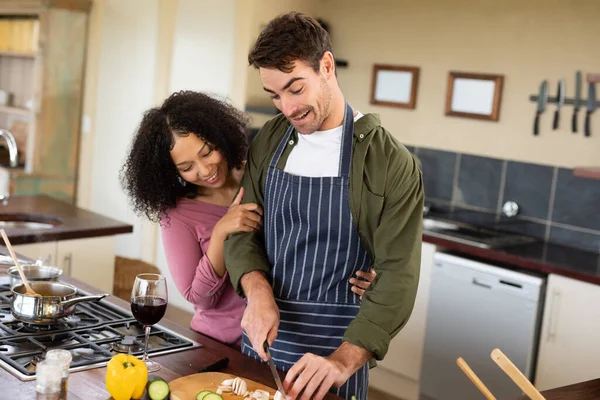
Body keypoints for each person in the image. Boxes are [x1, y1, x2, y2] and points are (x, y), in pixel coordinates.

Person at [223, 12, 424, 400]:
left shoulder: (390, 163)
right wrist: (257, 288)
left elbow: (398, 277)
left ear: (326, 66)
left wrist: (341, 362)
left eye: (295, 89)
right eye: (275, 95)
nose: (287, 108)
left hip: (336, 356)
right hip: (262, 347)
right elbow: (242, 227)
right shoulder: (272, 138)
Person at [120, 90, 375, 348]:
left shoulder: (260, 172)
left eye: (207, 152)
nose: (205, 169)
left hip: (287, 341)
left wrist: (366, 270)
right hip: (221, 345)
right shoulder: (178, 214)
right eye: (187, 168)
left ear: (219, 136)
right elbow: (200, 299)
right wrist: (221, 232)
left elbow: (314, 233)